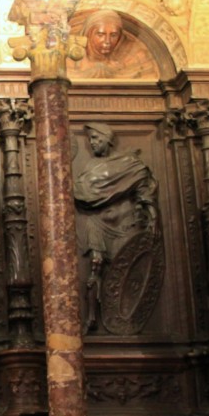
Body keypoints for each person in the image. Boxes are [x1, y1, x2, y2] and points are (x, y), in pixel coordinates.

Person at [73, 122, 159, 332]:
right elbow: (82, 191)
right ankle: (91, 317)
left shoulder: (128, 163)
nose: (93, 143)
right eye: (90, 139)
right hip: (96, 221)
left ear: (107, 139)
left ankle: (124, 315)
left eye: (96, 138)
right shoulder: (91, 166)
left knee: (126, 266)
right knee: (95, 264)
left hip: (123, 222)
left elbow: (142, 187)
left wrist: (151, 212)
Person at [70, 9, 157, 79]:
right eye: (100, 35)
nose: (107, 41)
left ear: (120, 38)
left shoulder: (129, 66)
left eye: (113, 35)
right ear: (89, 34)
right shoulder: (68, 64)